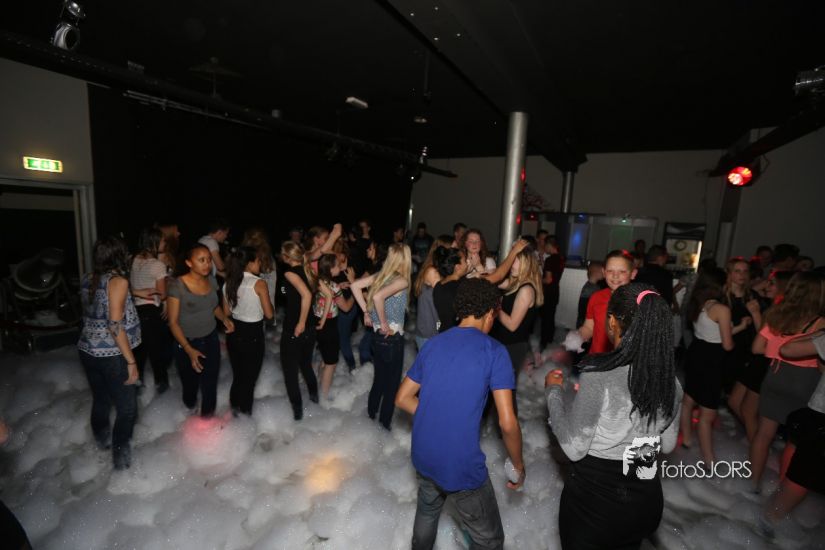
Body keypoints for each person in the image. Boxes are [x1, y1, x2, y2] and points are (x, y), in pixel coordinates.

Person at [546, 283, 682, 550]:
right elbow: (667, 445)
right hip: (644, 505)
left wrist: (553, 393)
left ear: (612, 321)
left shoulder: (600, 377)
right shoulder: (671, 382)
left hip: (595, 510)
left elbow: (574, 448)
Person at [395, 278, 525, 550]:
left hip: (424, 453)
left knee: (428, 510)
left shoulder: (433, 344)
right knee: (489, 541)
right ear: (490, 312)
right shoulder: (495, 352)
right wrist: (518, 465)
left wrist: (436, 414)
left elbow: (403, 398)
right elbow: (507, 423)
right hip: (460, 466)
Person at [749, 272, 825, 492]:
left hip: (775, 375)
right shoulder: (820, 322)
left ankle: (752, 486)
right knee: (796, 441)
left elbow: (757, 348)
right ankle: (783, 493)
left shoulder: (776, 314)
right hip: (806, 381)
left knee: (763, 434)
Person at [78, 235, 142, 469]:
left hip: (87, 349)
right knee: (127, 410)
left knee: (101, 400)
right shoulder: (118, 282)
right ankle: (121, 467)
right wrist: (131, 361)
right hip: (112, 355)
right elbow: (115, 325)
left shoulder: (87, 278)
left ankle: (102, 445)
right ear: (119, 255)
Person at [678, 268, 749, 465]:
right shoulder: (722, 309)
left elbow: (712, 331)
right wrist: (737, 340)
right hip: (712, 360)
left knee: (689, 400)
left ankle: (687, 440)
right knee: (707, 413)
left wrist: (739, 327)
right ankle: (709, 461)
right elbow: (726, 344)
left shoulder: (697, 302)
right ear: (720, 285)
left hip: (696, 352)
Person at [759, 330, 825, 538]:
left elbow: (788, 349)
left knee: (800, 478)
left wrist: (818, 334)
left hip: (821, 416)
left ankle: (768, 523)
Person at [167, 243, 235, 418]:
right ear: (189, 263)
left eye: (209, 260)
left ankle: (207, 422)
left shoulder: (211, 280)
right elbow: (173, 323)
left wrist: (224, 319)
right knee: (190, 387)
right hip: (186, 343)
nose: (207, 264)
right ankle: (188, 413)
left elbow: (213, 307)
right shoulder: (177, 286)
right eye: (201, 260)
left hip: (210, 339)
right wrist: (189, 349)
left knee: (209, 385)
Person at [351, 243, 411, 430]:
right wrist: (383, 323)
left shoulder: (380, 276)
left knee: (379, 381)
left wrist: (366, 312)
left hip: (377, 338)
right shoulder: (401, 281)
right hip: (391, 338)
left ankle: (370, 418)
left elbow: (354, 285)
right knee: (391, 387)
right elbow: (378, 298)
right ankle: (384, 427)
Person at [492, 247, 543, 414]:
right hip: (505, 343)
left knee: (506, 393)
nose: (510, 264)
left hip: (513, 346)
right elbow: (494, 279)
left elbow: (512, 325)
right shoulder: (516, 283)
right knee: (498, 390)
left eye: (514, 261)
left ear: (526, 264)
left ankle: (509, 427)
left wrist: (496, 307)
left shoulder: (526, 290)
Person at [223, 246, 273, 416]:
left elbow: (226, 312)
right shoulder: (259, 283)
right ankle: (245, 419)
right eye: (258, 261)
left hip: (234, 334)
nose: (260, 264)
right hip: (252, 335)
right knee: (249, 382)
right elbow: (269, 314)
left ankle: (234, 414)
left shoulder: (228, 283)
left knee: (238, 377)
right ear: (250, 263)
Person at [565, 249, 637, 355]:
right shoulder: (596, 297)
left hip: (623, 362)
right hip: (596, 358)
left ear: (633, 274)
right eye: (610, 271)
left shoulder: (639, 301)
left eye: (622, 271)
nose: (615, 276)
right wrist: (576, 337)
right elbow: (589, 327)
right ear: (603, 272)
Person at [279, 241, 320, 420]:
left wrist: (300, 323)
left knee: (290, 374)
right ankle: (315, 401)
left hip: (295, 329)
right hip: (310, 329)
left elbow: (307, 295)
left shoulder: (290, 273)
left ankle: (298, 416)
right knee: (306, 365)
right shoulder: (308, 271)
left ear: (287, 257)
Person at [130, 227, 171, 393]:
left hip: (135, 310)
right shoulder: (158, 265)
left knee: (139, 353)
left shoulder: (134, 259)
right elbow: (162, 293)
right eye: (162, 240)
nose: (165, 243)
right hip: (151, 311)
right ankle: (162, 391)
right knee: (157, 355)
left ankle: (137, 390)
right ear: (154, 242)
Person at [313, 253, 354, 399]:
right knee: (331, 363)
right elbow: (346, 308)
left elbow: (328, 291)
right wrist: (355, 292)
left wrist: (340, 286)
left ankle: (318, 386)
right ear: (330, 269)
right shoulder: (334, 287)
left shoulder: (317, 280)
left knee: (325, 358)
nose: (340, 267)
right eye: (337, 265)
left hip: (317, 323)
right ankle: (324, 397)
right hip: (329, 327)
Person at [540, 235, 564, 349]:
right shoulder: (560, 258)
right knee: (550, 318)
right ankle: (549, 341)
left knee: (545, 319)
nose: (544, 247)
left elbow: (548, 279)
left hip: (548, 293)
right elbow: (552, 273)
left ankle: (544, 343)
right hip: (555, 292)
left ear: (549, 245)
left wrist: (536, 280)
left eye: (545, 245)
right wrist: (542, 262)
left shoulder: (550, 260)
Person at [576, 261, 604, 329]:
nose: (604, 274)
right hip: (585, 321)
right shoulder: (590, 289)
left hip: (586, 319)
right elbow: (583, 307)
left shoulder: (594, 286)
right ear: (596, 273)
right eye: (602, 272)